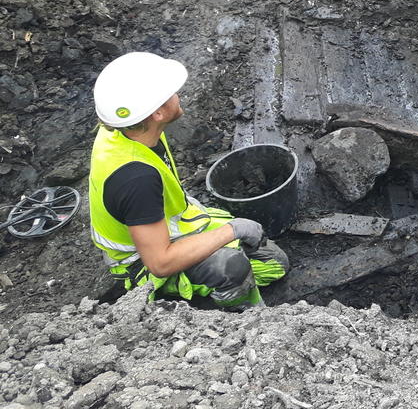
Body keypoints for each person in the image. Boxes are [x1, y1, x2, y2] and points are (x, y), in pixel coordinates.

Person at [88, 52, 289, 307]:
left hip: (169, 229)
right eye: (171, 94)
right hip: (143, 262)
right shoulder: (136, 179)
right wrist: (233, 230)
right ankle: (239, 316)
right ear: (158, 113)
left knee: (274, 265)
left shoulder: (127, 131)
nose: (178, 96)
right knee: (232, 268)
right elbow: (160, 263)